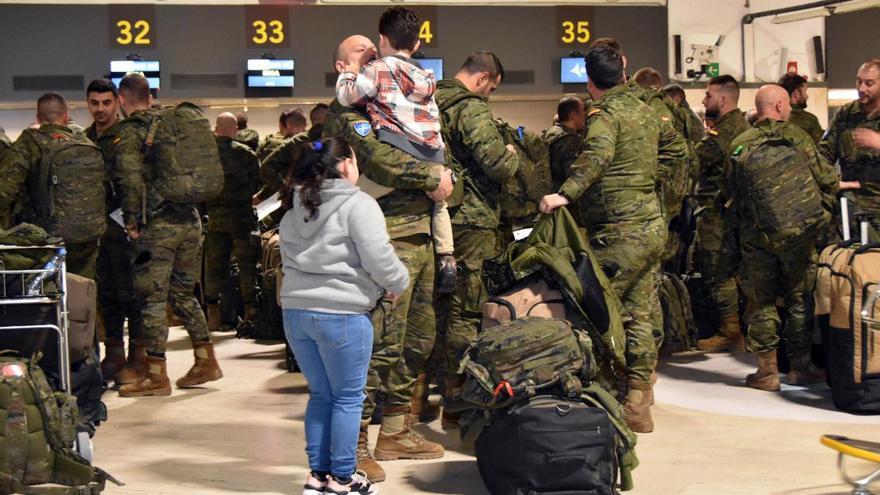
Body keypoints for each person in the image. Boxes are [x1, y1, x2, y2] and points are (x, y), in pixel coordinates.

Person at [539, 45, 687, 433]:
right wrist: (650, 187)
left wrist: (565, 194)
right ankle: (638, 401)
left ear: (589, 82)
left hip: (619, 232)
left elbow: (598, 155)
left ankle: (600, 394)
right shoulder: (646, 108)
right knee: (639, 312)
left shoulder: (604, 114)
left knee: (595, 309)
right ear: (624, 72)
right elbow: (678, 150)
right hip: (651, 227)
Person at [327, 34, 453, 482]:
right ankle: (353, 442)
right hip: (378, 238)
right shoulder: (349, 115)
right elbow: (377, 161)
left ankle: (396, 431)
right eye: (360, 52)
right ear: (342, 64)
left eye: (371, 50)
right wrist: (431, 175)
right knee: (376, 345)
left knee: (417, 338)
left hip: (416, 232)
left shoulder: (389, 101)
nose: (371, 56)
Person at [280, 137, 408, 495]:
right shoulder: (358, 204)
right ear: (347, 164)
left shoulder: (295, 205)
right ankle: (343, 479)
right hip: (343, 315)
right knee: (349, 398)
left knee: (321, 395)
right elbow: (378, 257)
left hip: (296, 313)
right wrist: (397, 282)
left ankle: (318, 476)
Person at [113, 74, 222, 397]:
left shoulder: (132, 130)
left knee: (153, 299)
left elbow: (130, 180)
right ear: (150, 96)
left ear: (122, 100)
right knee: (184, 293)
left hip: (157, 228)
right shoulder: (171, 123)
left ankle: (156, 375)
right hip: (190, 220)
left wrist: (132, 221)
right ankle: (206, 360)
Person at [335, 6, 456, 293]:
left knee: (353, 200)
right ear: (417, 44)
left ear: (382, 39)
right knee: (441, 205)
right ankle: (447, 256)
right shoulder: (426, 76)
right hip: (432, 153)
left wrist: (350, 75)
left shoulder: (376, 70)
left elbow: (346, 96)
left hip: (398, 146)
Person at [724, 84, 837, 391]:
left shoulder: (740, 144)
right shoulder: (799, 137)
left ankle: (767, 371)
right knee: (799, 298)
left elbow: (732, 193)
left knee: (762, 301)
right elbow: (826, 178)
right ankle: (801, 367)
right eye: (786, 106)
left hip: (757, 238)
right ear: (778, 107)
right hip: (799, 236)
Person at [434, 50, 522, 428]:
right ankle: (457, 400)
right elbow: (496, 164)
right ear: (484, 78)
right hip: (471, 221)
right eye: (492, 89)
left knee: (437, 306)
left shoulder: (427, 99)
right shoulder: (471, 108)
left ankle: (424, 391)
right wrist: (513, 154)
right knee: (467, 309)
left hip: (437, 217)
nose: (489, 96)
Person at [0, 92, 106, 279]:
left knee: (45, 290)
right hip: (87, 235)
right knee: (83, 288)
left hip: (45, 237)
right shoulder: (84, 142)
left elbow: (6, 189)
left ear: (38, 117)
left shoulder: (30, 142)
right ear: (66, 115)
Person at [84, 79, 146, 382]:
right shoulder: (84, 140)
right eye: (94, 103)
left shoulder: (129, 135)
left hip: (128, 228)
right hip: (99, 230)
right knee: (106, 291)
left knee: (132, 292)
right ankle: (115, 352)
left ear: (117, 102)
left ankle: (138, 356)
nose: (100, 109)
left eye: (106, 102)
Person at [692, 75, 750, 353]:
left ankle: (730, 332)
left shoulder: (722, 134)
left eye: (708, 96)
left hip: (717, 214)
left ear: (723, 100)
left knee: (718, 271)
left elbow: (694, 161)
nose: (704, 101)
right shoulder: (742, 127)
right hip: (735, 213)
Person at [205, 113, 261, 332]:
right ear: (235, 128)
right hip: (242, 218)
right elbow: (257, 182)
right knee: (246, 267)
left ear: (216, 128)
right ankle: (250, 312)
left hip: (216, 218)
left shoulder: (207, 156)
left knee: (215, 267)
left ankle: (213, 314)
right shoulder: (246, 154)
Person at [820, 58, 880, 240]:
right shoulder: (846, 113)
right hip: (849, 208)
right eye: (859, 81)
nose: (862, 88)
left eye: (869, 83)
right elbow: (824, 153)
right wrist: (830, 182)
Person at [543, 96, 585, 189]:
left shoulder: (548, 133)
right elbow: (573, 176)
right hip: (564, 196)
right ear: (573, 115)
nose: (584, 114)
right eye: (582, 111)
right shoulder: (570, 140)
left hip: (549, 193)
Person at [778, 73, 824, 144]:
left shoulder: (773, 117)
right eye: (805, 91)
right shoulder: (809, 120)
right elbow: (821, 147)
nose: (807, 96)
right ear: (796, 93)